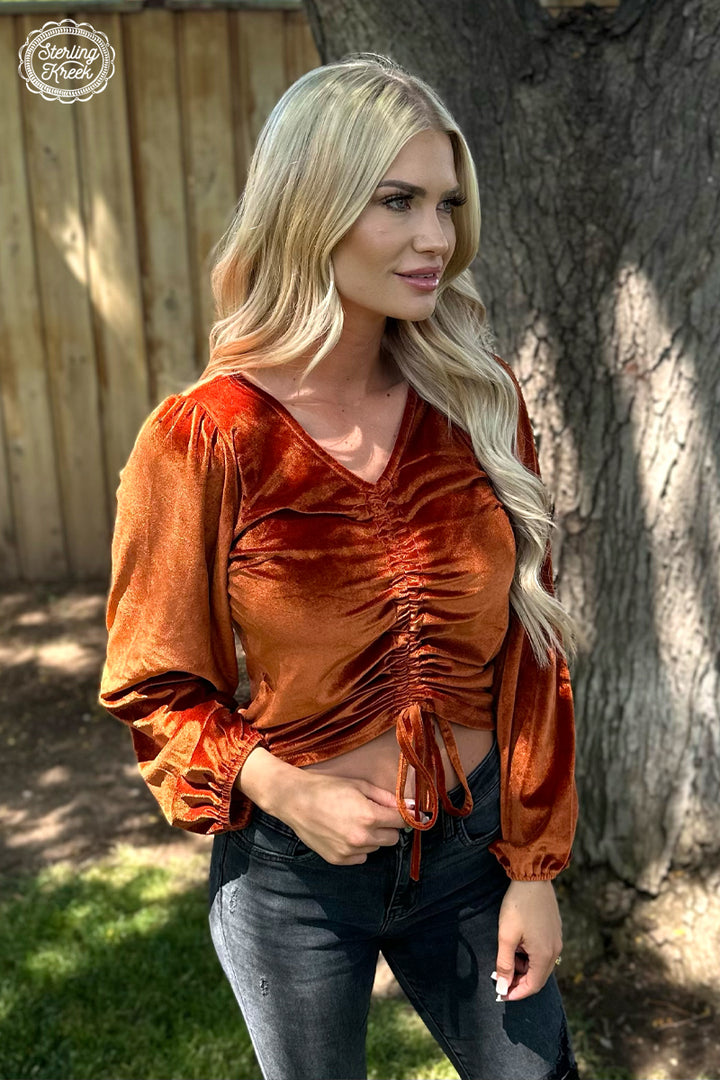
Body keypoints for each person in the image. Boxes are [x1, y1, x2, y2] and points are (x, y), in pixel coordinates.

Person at [99, 52, 581, 1080]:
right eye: (397, 201)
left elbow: (532, 650)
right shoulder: (206, 439)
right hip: (293, 881)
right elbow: (153, 687)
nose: (436, 238)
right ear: (311, 206)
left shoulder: (478, 403)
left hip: (475, 858)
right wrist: (283, 789)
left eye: (447, 204)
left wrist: (535, 868)